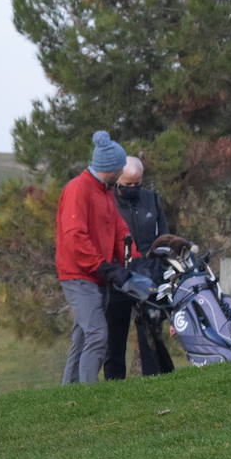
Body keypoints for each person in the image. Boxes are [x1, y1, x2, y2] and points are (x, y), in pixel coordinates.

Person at [55, 131, 154, 385]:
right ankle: (90, 394)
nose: (122, 171)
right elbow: (75, 236)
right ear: (109, 168)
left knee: (82, 337)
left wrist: (135, 259)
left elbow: (119, 229)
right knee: (98, 335)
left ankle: (69, 392)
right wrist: (104, 267)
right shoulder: (79, 189)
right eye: (120, 167)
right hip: (79, 275)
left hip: (96, 275)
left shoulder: (104, 191)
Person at [103, 156, 175, 379]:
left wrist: (163, 269)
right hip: (118, 275)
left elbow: (163, 236)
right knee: (115, 332)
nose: (133, 188)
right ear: (117, 181)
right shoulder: (108, 202)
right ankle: (114, 382)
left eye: (137, 183)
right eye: (128, 184)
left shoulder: (152, 199)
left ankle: (155, 379)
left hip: (149, 274)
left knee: (151, 331)